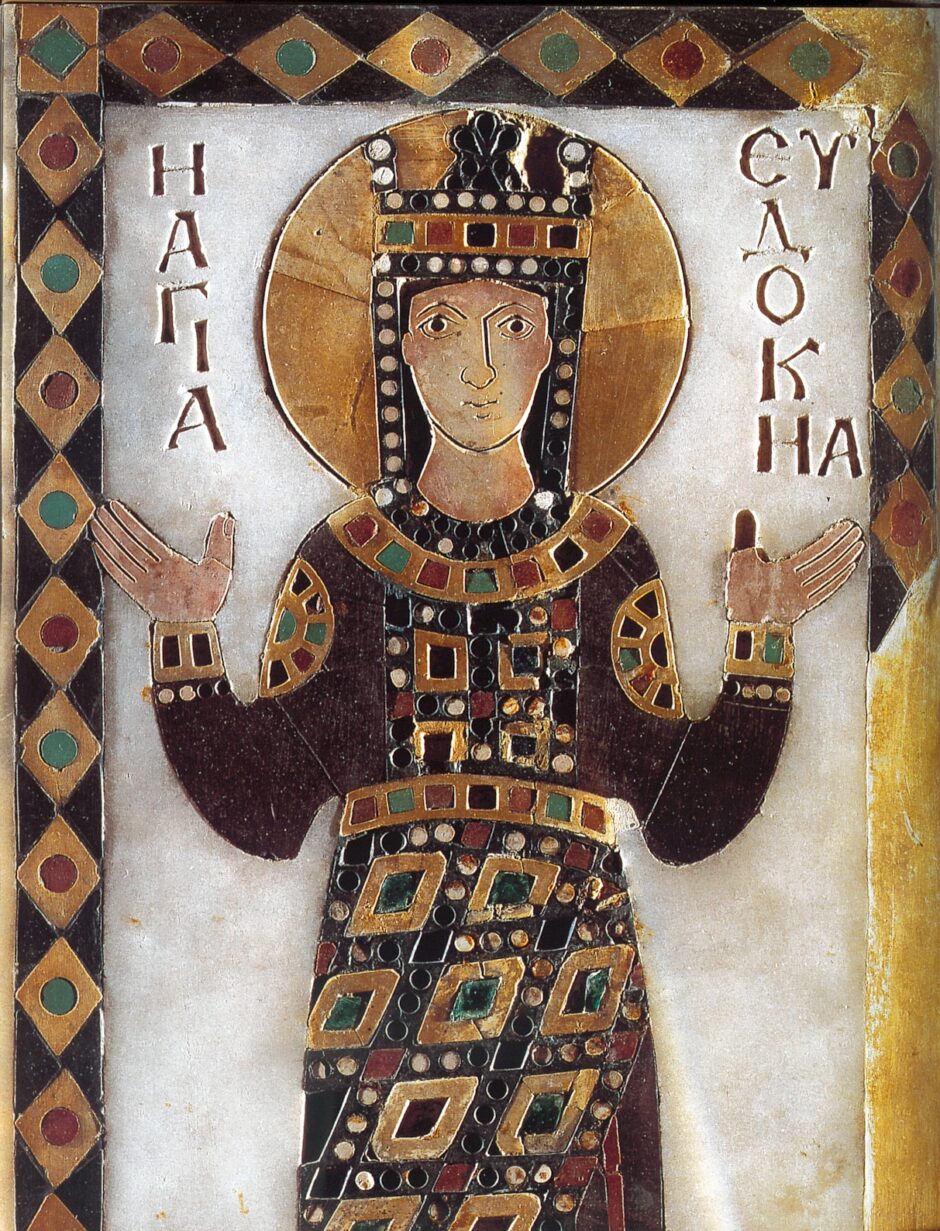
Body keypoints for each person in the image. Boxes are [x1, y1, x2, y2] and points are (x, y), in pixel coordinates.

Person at [92, 111, 863, 1231]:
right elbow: (263, 802)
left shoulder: (607, 561)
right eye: (443, 325)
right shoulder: (347, 564)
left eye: (513, 325)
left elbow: (683, 813)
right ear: (398, 346)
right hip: (391, 982)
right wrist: (182, 637)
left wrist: (761, 642)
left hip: (571, 987)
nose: (479, 365)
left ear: (557, 345)